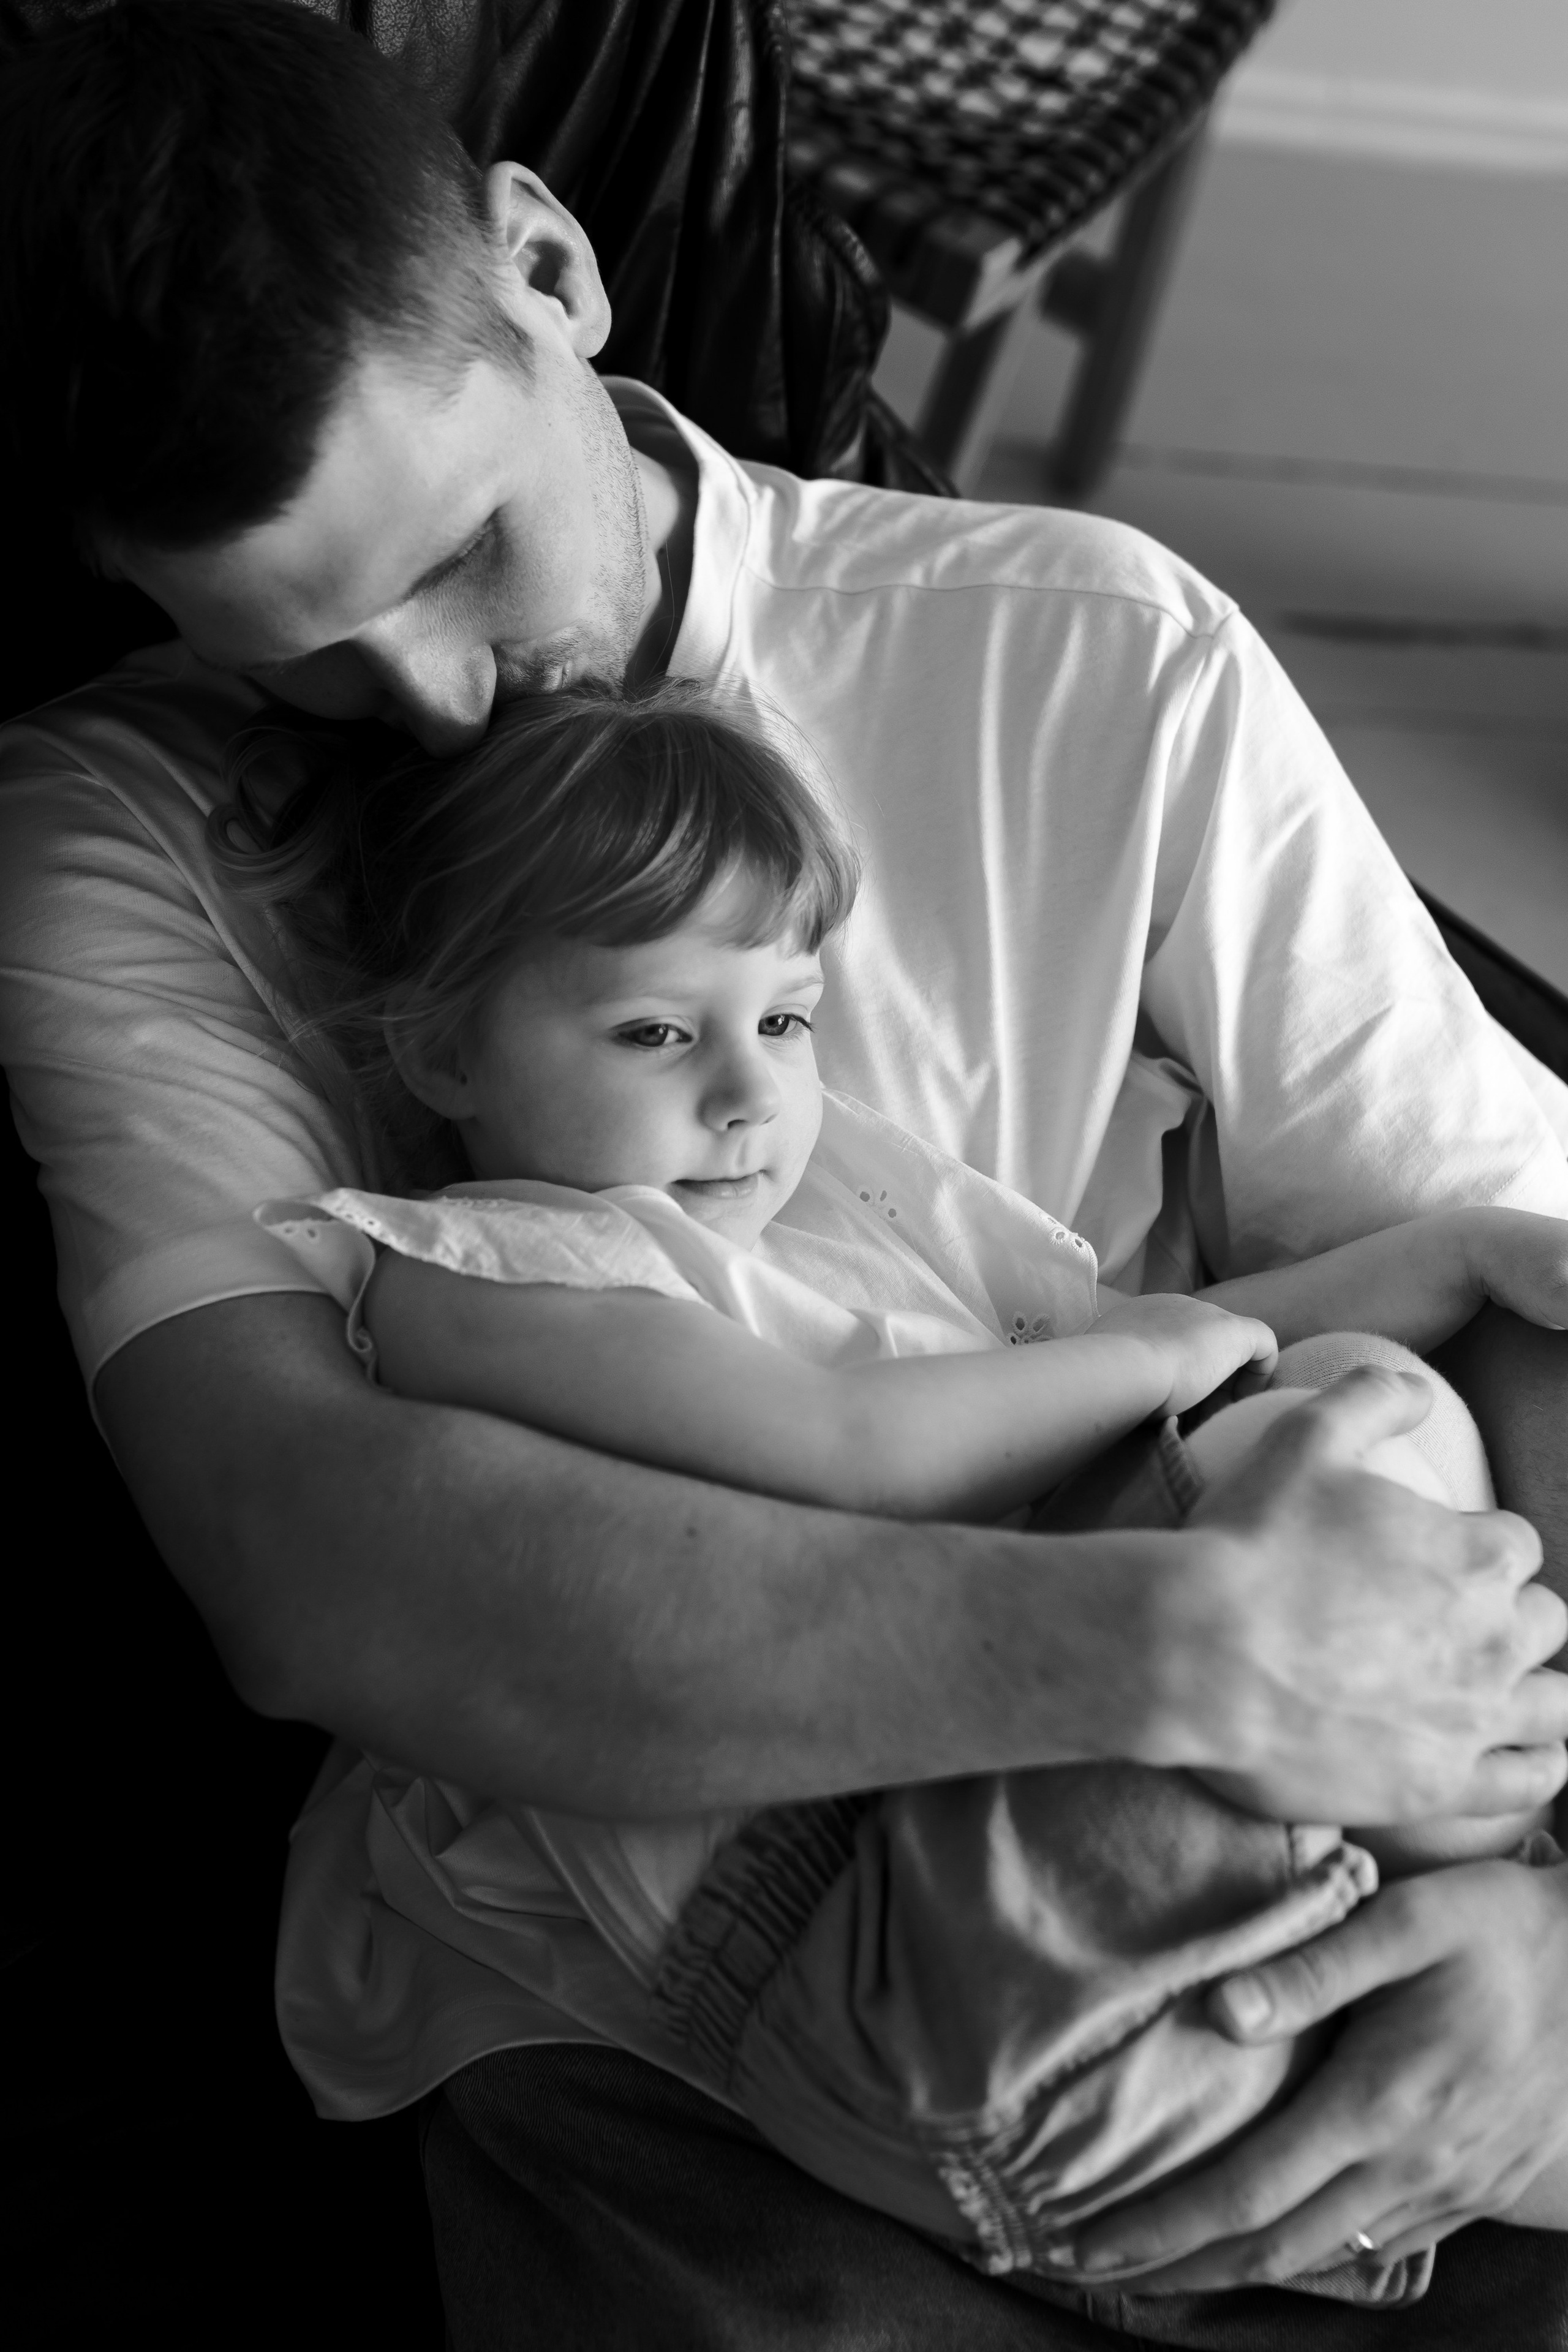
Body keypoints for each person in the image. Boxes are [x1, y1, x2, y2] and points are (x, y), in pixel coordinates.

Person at [2, 4, 1567, 2341]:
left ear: (551, 270)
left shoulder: (1078, 657)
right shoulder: (126, 836)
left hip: (1236, 1834)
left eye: (461, 557)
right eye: (305, 662)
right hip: (666, 1988)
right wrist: (1175, 1650)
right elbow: (314, 1556)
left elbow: (1511, 1309)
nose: (442, 707)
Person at [235, 676, 1568, 2309]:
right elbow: (850, 1450)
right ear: (445, 1048)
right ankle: (1465, 1852)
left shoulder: (837, 1211)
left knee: (1374, 1388)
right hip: (894, 1932)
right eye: (655, 1033)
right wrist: (1191, 1362)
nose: (748, 1093)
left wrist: (1452, 1256)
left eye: (786, 1021)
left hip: (1109, 1839)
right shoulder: (483, 1274)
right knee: (1310, 1441)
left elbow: (1133, 1345)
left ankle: (1473, 1877)